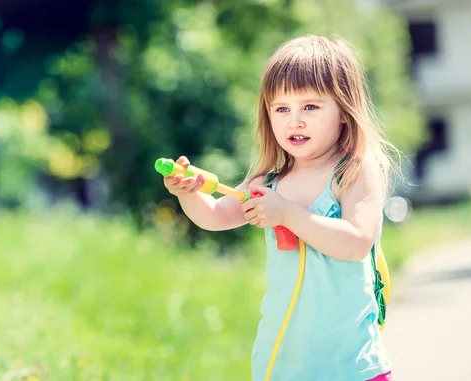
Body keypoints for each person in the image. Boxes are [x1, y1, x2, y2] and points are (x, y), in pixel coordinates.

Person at [163, 35, 398, 381]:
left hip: (351, 366)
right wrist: (188, 194)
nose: (295, 121)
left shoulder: (354, 172)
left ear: (344, 113)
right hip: (284, 365)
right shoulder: (269, 180)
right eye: (282, 108)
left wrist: (287, 214)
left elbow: (356, 243)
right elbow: (215, 216)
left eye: (311, 107)